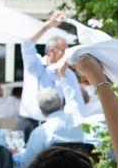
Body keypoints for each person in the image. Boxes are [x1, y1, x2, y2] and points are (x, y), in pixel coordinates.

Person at [18, 11, 85, 141]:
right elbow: (27, 43)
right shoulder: (34, 63)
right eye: (63, 52)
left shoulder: (67, 73)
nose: (66, 55)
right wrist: (49, 24)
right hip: (28, 123)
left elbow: (75, 100)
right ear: (51, 51)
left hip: (54, 125)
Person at [12, 61, 85, 168]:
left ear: (41, 111)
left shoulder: (41, 132)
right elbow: (73, 98)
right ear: (61, 103)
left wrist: (15, 154)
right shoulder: (78, 121)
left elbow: (25, 164)